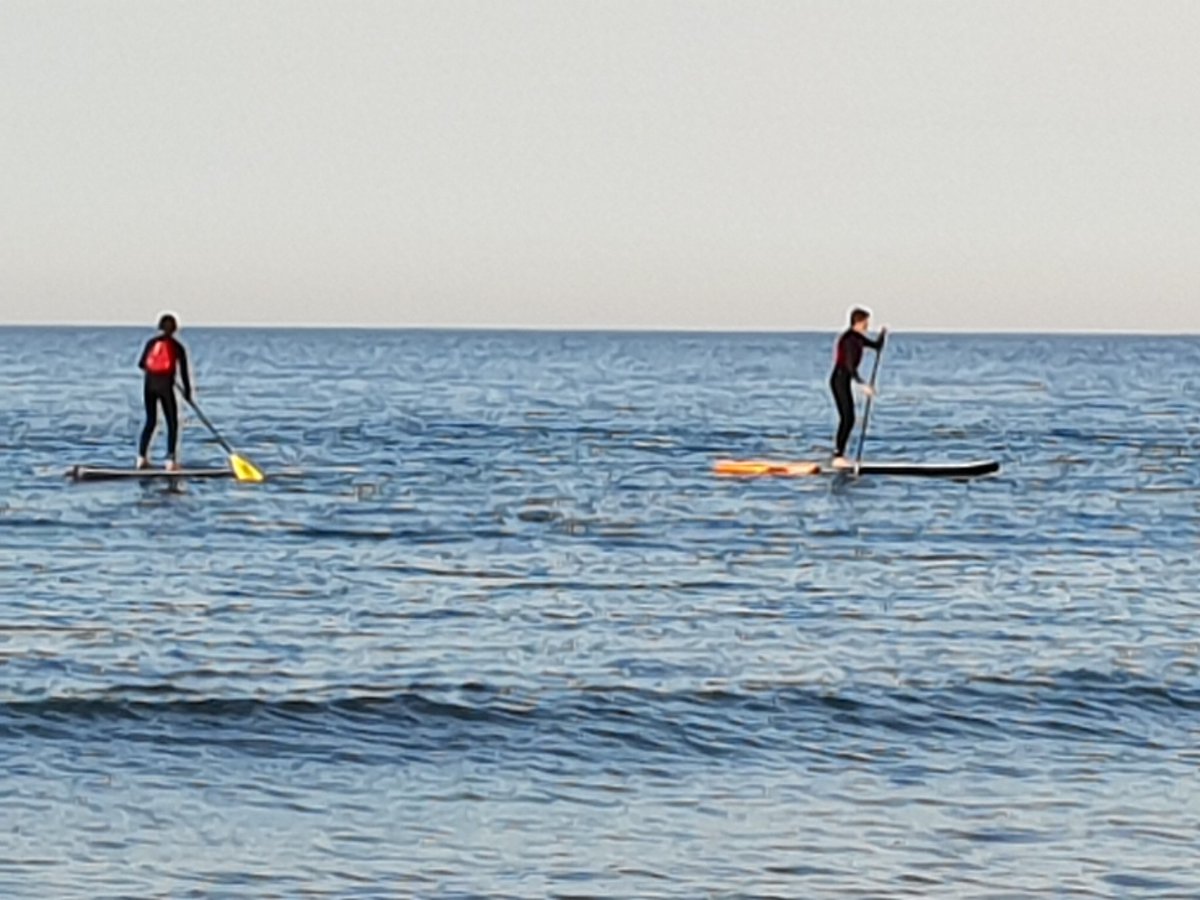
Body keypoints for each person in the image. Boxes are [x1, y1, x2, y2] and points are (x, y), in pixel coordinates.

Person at [830, 308, 886, 468]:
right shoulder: (848, 339)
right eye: (866, 322)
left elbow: (876, 346)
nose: (868, 325)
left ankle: (840, 453)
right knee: (847, 417)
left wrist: (882, 335)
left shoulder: (859, 338)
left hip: (845, 379)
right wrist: (863, 385)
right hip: (839, 378)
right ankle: (838, 454)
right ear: (859, 322)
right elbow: (848, 365)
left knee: (850, 418)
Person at [136, 313, 192, 470]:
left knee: (151, 421)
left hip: (149, 386)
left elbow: (141, 364)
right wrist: (187, 392)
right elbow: (184, 373)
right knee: (172, 423)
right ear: (175, 329)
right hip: (165, 387)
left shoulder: (151, 343)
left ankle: (141, 458)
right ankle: (170, 460)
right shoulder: (178, 347)